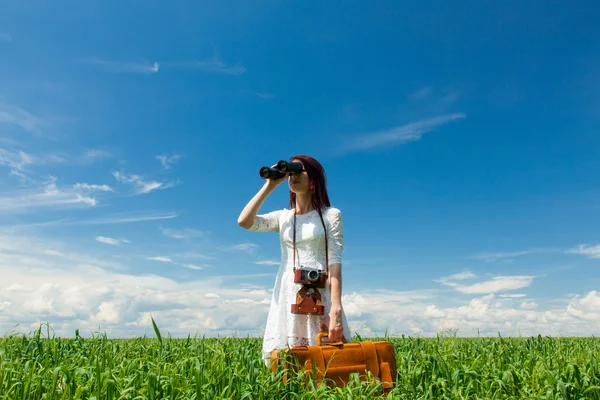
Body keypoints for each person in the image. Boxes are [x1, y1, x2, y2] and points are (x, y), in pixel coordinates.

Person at [237, 154, 352, 366]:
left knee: (326, 358)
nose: (293, 177)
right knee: (287, 362)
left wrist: (335, 308)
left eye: (299, 171)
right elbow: (244, 221)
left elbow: (335, 263)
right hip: (288, 291)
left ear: (314, 178)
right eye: (290, 173)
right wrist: (270, 186)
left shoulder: (331, 216)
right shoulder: (283, 218)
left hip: (320, 293)